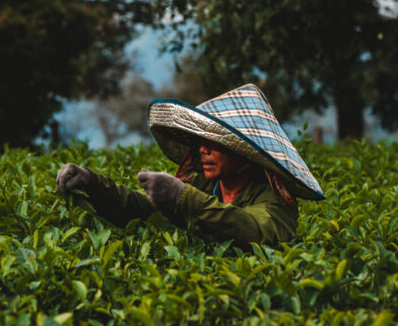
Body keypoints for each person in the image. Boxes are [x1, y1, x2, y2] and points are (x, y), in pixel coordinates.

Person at [56, 84, 324, 247]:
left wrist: (181, 196)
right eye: (201, 142)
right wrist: (92, 182)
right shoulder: (205, 184)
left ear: (243, 153)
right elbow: (142, 208)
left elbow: (253, 229)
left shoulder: (275, 197)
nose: (203, 150)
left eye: (215, 143)